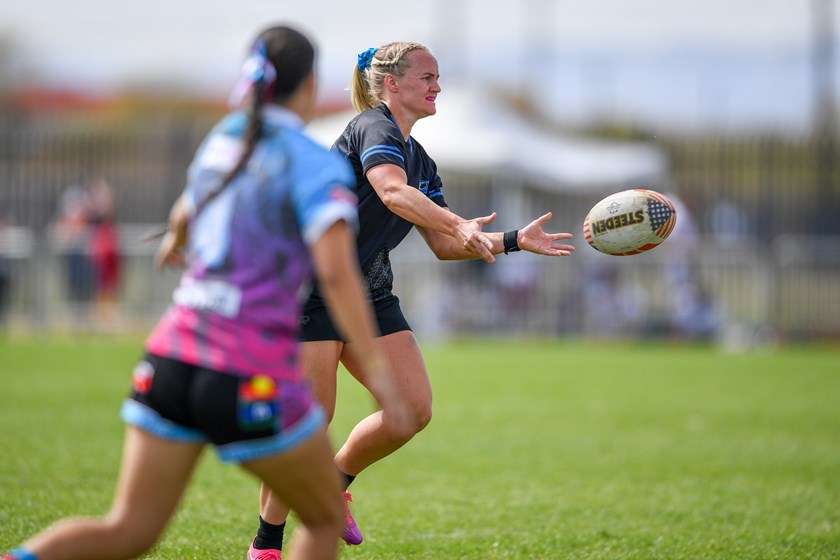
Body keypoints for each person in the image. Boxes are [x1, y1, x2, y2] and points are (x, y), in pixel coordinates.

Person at [2, 25, 411, 560]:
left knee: (127, 530)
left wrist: (175, 237)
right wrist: (381, 376)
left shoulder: (224, 138)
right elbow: (337, 276)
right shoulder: (313, 164)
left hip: (171, 356)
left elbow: (186, 208)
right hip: (246, 368)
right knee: (323, 516)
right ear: (311, 83)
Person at [247, 41, 575, 558]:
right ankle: (266, 544)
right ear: (392, 84)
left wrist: (513, 240)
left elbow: (446, 244)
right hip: (311, 285)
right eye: (427, 77)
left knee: (411, 410)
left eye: (437, 78)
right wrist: (459, 222)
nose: (437, 86)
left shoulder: (421, 160)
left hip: (369, 291)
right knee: (308, 423)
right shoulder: (373, 128)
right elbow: (392, 192)